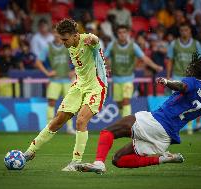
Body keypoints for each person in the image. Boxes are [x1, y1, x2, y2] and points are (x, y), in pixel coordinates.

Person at [76, 52, 201, 174]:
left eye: (190, 68)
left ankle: (98, 162)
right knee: (118, 160)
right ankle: (163, 158)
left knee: (108, 131)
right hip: (166, 138)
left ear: (193, 71)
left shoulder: (192, 82)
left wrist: (167, 82)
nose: (187, 70)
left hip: (156, 122)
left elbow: (182, 87)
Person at [23, 19, 107, 171]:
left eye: (65, 39)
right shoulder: (70, 43)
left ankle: (75, 162)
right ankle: (29, 153)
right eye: (61, 39)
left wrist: (93, 38)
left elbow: (95, 40)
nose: (62, 42)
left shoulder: (87, 40)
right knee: (58, 120)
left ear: (75, 36)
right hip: (79, 85)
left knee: (81, 120)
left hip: (96, 86)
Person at [104, 25, 163, 117]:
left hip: (128, 78)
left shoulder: (133, 46)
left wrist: (155, 66)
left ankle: (126, 123)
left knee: (126, 100)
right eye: (120, 33)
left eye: (124, 32)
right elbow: (104, 57)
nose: (122, 35)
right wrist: (103, 66)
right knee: (119, 103)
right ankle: (123, 119)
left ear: (127, 34)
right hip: (116, 78)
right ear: (117, 34)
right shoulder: (112, 45)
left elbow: (144, 58)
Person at [34, 30, 76, 135]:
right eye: (56, 33)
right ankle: (49, 127)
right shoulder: (48, 47)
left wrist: (74, 71)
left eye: (60, 33)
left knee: (69, 104)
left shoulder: (68, 46)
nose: (58, 35)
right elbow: (38, 62)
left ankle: (70, 128)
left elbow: (79, 59)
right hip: (54, 80)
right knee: (51, 102)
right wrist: (47, 73)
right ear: (53, 34)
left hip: (67, 80)